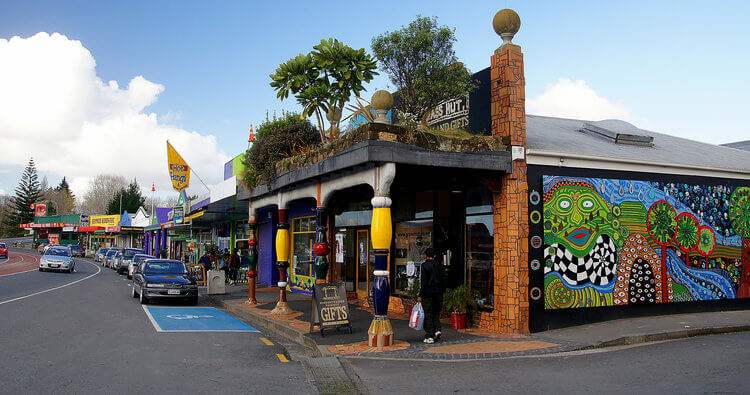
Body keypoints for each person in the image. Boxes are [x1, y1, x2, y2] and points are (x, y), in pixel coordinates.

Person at [417, 248, 446, 344]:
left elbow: (423, 282)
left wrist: (420, 294)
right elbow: (444, 279)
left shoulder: (424, 265)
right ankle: (437, 330)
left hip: (428, 293)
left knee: (428, 313)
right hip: (439, 293)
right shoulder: (440, 266)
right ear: (434, 256)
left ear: (426, 255)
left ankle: (429, 335)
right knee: (436, 312)